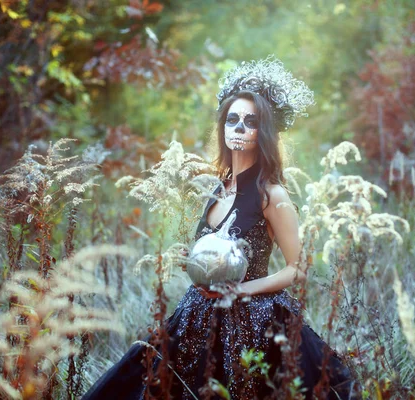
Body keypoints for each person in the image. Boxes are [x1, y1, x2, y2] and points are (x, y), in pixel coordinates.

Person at [83, 57, 358, 400]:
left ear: (265, 132)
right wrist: (192, 257)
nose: (239, 128)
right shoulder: (217, 188)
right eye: (232, 119)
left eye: (251, 121)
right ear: (222, 126)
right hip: (197, 315)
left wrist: (242, 291)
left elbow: (299, 267)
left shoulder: (272, 194)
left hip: (253, 323)